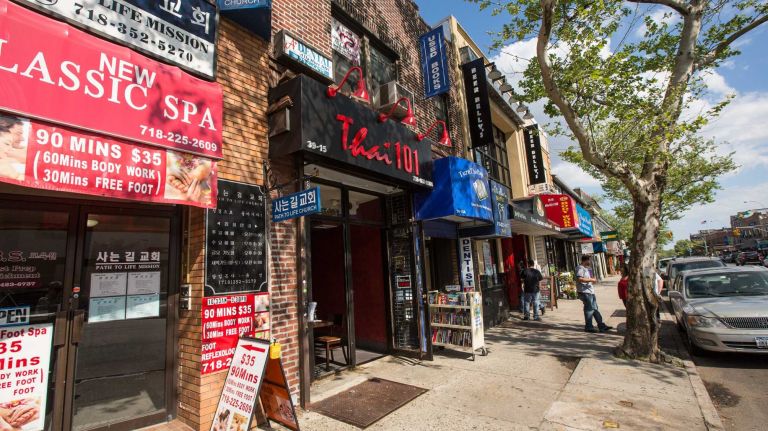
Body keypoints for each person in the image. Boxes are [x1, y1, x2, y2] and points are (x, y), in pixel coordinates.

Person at [576, 255, 613, 333]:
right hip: (585, 292)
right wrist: (591, 280)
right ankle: (589, 327)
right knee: (589, 310)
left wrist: (592, 280)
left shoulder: (586, 269)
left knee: (594, 309)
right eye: (589, 260)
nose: (590, 262)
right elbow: (579, 279)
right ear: (585, 260)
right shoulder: (580, 268)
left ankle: (601, 326)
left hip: (590, 291)